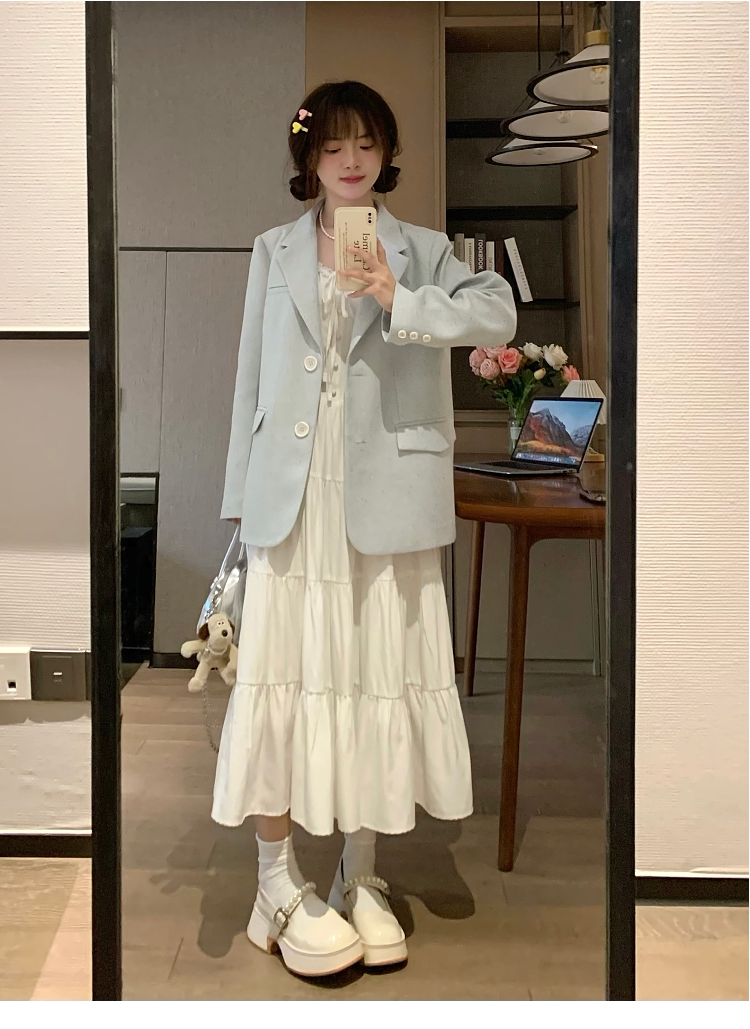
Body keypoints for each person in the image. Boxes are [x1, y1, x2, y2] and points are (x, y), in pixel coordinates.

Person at [212, 80, 517, 978]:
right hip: (294, 497)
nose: (351, 160)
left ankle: (361, 872)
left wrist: (398, 294)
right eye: (333, 145)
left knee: (372, 673)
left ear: (387, 154)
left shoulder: (422, 249)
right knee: (286, 675)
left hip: (387, 491)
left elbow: (497, 312)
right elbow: (249, 380)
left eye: (367, 143)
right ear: (308, 158)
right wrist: (239, 497)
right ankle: (275, 879)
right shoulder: (272, 251)